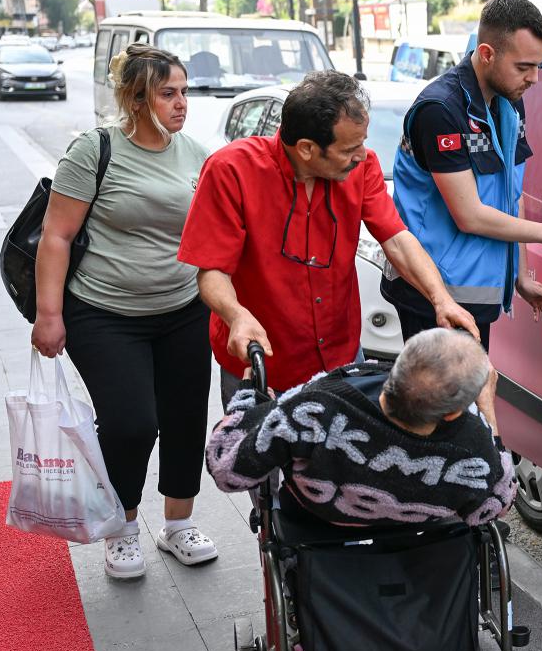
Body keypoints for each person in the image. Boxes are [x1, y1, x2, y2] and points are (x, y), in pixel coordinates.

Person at [30, 43, 216, 578]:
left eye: (184, 91)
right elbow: (56, 235)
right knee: (133, 424)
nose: (182, 103)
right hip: (104, 312)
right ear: (137, 99)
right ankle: (123, 525)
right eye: (168, 93)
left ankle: (178, 525)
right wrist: (49, 314)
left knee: (185, 419)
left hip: (181, 306)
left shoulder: (196, 155)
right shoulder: (94, 150)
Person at [178, 71, 476, 403]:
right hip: (262, 365)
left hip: (341, 361)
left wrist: (441, 299)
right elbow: (211, 271)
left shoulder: (362, 168)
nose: (362, 155)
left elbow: (396, 239)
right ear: (306, 148)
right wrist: (235, 314)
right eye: (351, 147)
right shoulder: (230, 170)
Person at [388, 0, 542, 349]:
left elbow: (512, 194)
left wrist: (520, 277)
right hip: (433, 297)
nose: (534, 78)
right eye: (523, 67)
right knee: (441, 404)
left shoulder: (508, 102)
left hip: (474, 294)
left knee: (473, 401)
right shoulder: (441, 110)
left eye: (538, 66)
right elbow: (470, 216)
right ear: (486, 54)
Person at [206, 328, 515, 528]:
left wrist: (247, 397)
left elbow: (226, 470)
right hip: (420, 537)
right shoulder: (473, 445)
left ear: (401, 360)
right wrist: (487, 407)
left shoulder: (316, 408)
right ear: (452, 414)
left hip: (320, 524)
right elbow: (494, 505)